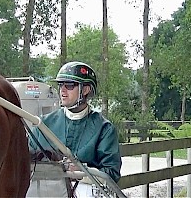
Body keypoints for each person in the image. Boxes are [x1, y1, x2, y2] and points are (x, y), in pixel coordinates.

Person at [29, 61, 122, 195]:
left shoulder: (104, 129)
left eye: (69, 85)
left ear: (85, 90)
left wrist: (81, 171)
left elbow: (112, 173)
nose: (63, 90)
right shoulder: (42, 124)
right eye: (60, 85)